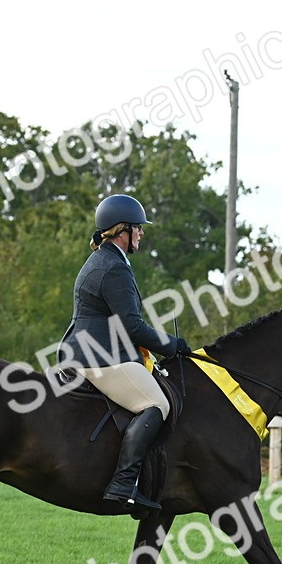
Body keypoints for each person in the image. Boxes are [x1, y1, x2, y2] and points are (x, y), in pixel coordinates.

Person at [59, 194, 191, 512]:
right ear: (123, 231)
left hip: (94, 351)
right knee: (156, 403)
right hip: (98, 358)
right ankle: (123, 484)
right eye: (138, 229)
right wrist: (173, 345)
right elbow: (133, 326)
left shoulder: (106, 260)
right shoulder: (113, 267)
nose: (142, 234)